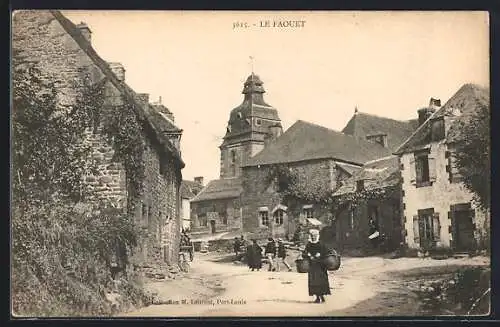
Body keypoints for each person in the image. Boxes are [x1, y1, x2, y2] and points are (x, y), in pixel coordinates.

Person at [303, 229, 331, 303]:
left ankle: (321, 296)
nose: (313, 237)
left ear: (317, 236)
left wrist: (321, 254)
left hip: (321, 266)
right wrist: (308, 255)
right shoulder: (309, 244)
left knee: (321, 281)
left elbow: (328, 252)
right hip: (312, 266)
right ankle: (317, 297)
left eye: (315, 236)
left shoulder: (321, 244)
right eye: (312, 236)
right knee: (314, 282)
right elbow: (304, 253)